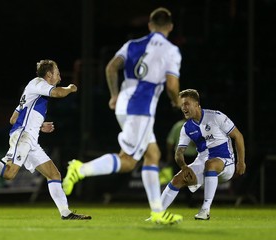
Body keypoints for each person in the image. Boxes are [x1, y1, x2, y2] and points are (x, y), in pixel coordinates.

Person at [62, 7, 183, 224]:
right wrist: (176, 101)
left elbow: (111, 68)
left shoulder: (132, 44)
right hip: (141, 108)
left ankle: (157, 212)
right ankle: (81, 169)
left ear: (149, 26)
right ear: (170, 27)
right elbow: (173, 85)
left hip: (124, 103)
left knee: (152, 154)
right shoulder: (171, 51)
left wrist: (114, 95)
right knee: (127, 161)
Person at [0, 59, 91, 220]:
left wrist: (39, 126)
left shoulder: (32, 90)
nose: (60, 77)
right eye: (58, 73)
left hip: (30, 138)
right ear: (49, 75)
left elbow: (13, 118)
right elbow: (58, 93)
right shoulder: (38, 82)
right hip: (23, 136)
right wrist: (70, 88)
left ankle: (66, 213)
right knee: (9, 173)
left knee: (54, 174)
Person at [160, 89, 246, 220]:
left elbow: (238, 136)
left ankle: (205, 210)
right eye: (182, 105)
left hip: (225, 161)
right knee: (177, 179)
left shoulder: (216, 116)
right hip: (202, 162)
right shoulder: (186, 127)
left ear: (197, 104)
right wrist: (184, 167)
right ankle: (157, 214)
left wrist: (241, 161)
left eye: (187, 104)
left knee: (210, 164)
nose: (183, 108)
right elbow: (178, 153)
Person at [160, 117, 197, 206]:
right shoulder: (178, 126)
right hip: (180, 157)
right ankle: (173, 201)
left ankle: (189, 201)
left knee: (190, 180)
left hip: (193, 157)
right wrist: (169, 154)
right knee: (178, 179)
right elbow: (170, 142)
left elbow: (170, 142)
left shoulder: (197, 126)